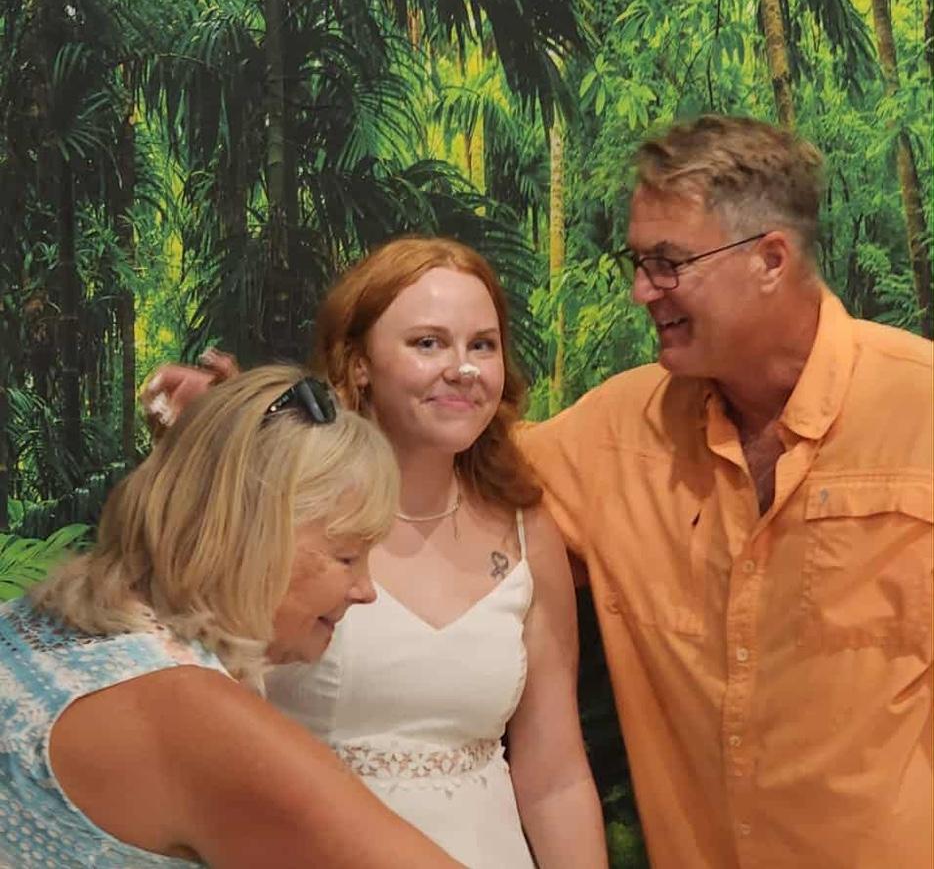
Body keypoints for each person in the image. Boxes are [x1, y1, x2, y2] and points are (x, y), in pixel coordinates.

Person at [519, 114, 933, 868]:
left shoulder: (919, 407)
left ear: (771, 259)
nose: (642, 291)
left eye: (667, 263)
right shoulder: (614, 433)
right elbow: (456, 479)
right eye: (637, 263)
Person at [145, 239, 608, 869]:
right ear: (359, 363)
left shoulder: (529, 528)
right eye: (428, 343)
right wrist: (218, 444)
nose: (463, 369)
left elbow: (554, 776)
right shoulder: (278, 511)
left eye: (482, 345)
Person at [0, 365, 459, 869]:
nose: (366, 591)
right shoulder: (197, 721)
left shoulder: (33, 626)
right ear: (248, 536)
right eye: (347, 556)